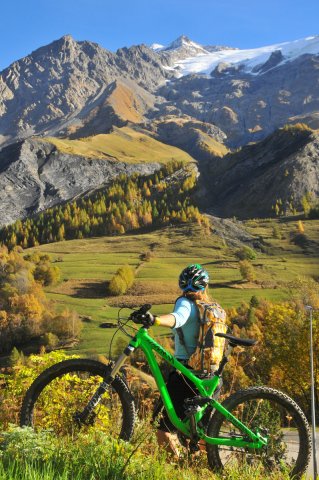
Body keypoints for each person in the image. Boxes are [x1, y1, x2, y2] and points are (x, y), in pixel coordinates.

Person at [149, 263, 220, 457]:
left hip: (185, 375)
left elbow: (177, 318)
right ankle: (203, 470)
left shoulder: (185, 303)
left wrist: (154, 320)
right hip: (209, 376)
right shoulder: (209, 309)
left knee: (161, 427)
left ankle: (178, 467)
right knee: (200, 432)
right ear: (204, 288)